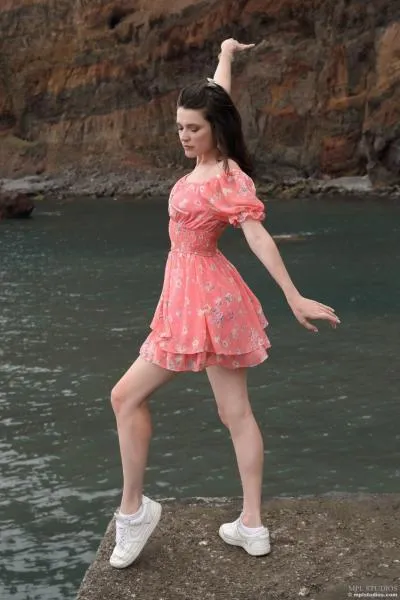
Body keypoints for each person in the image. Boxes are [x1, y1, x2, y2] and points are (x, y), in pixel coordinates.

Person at [109, 38, 341, 569]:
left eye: (192, 128)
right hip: (204, 296)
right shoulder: (215, 160)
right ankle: (251, 527)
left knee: (125, 397)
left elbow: (257, 236)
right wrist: (227, 55)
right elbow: (218, 94)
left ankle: (134, 512)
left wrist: (293, 295)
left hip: (201, 300)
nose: (184, 136)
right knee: (234, 413)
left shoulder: (226, 179)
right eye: (179, 127)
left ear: (214, 129)